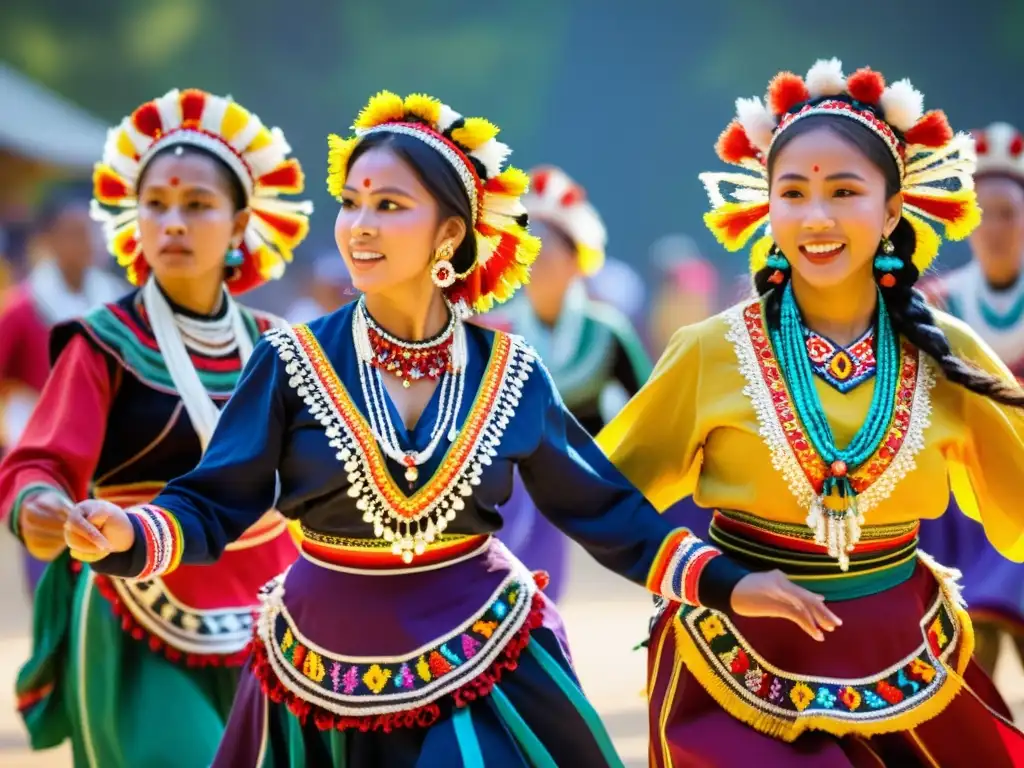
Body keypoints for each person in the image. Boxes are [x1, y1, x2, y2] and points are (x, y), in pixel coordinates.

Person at [64, 91, 835, 767]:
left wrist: (733, 584)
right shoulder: (292, 358)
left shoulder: (508, 369)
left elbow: (604, 508)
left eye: (390, 205)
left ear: (449, 235)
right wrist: (129, 532)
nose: (360, 226)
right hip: (317, 672)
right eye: (353, 201)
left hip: (483, 655)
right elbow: (214, 499)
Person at [599, 60, 1024, 766]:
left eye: (845, 191)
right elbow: (604, 501)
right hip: (733, 660)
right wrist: (715, 578)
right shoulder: (710, 351)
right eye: (792, 192)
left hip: (906, 649)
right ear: (765, 207)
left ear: (892, 211)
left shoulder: (948, 353)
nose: (816, 217)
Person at [0, 88, 311, 767]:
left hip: (271, 622)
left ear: (239, 225)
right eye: (156, 204)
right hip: (136, 613)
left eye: (197, 205)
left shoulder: (279, 345)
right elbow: (37, 465)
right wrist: (41, 505)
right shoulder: (104, 342)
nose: (173, 221)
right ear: (132, 218)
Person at [485, 166, 652, 600]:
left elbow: (650, 411)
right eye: (527, 248)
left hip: (589, 479)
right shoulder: (500, 331)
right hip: (518, 488)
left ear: (577, 258)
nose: (535, 259)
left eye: (547, 247)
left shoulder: (608, 330)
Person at [917, 122, 1024, 680]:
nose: (997, 228)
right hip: (966, 504)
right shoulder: (937, 303)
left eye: (1010, 212)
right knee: (968, 659)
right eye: (985, 214)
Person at [0, 189, 127, 595]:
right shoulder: (22, 309)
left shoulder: (118, 303)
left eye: (91, 230)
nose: (87, 240)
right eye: (73, 232)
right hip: (46, 458)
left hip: (110, 457)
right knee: (51, 572)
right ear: (48, 239)